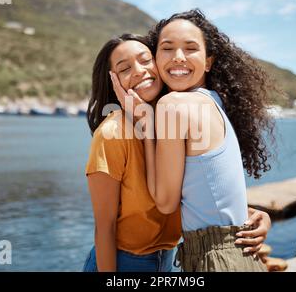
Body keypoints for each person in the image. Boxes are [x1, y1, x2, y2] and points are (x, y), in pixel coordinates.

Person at [84, 33, 271, 272]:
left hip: (169, 260)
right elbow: (104, 226)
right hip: (123, 263)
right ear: (112, 81)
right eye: (125, 69)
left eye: (145, 59)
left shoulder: (175, 122)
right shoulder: (112, 133)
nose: (140, 71)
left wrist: (254, 216)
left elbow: (199, 193)